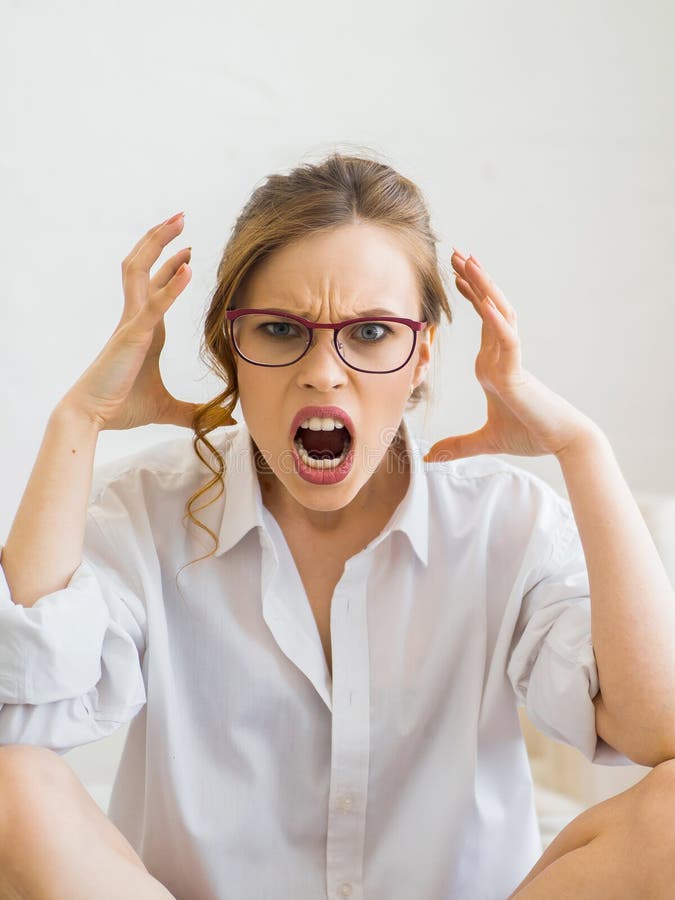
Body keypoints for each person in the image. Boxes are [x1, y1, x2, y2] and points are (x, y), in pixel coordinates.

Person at [1, 153, 674, 900]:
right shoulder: (147, 510)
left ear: (421, 356)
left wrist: (581, 449)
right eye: (282, 329)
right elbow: (23, 720)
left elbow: (655, 729)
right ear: (232, 352)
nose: (323, 371)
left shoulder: (501, 522)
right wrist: (81, 419)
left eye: (373, 333)